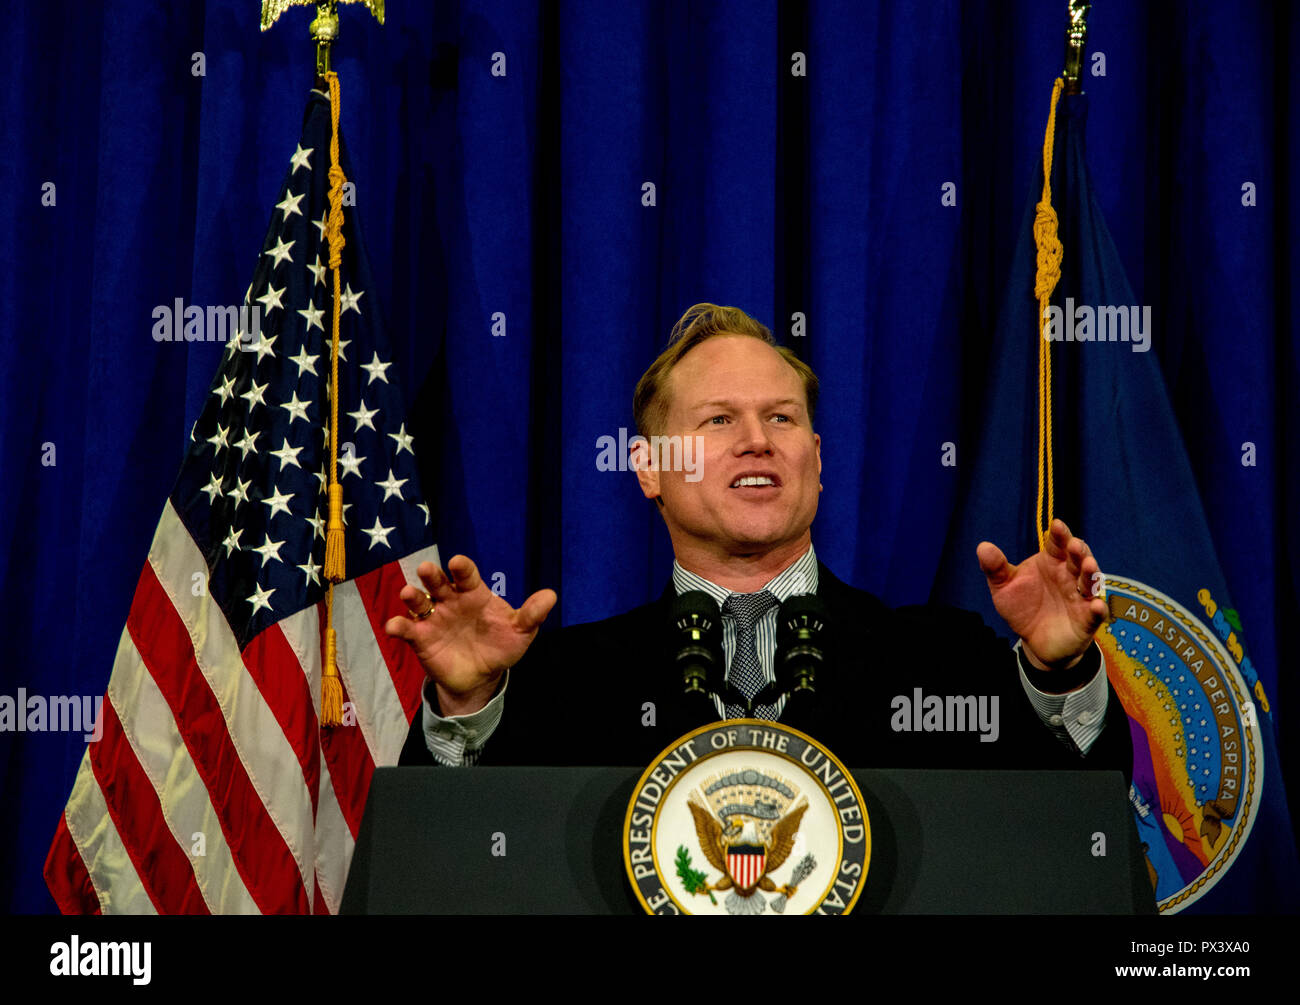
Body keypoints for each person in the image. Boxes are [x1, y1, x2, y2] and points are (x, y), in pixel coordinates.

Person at [389, 304, 1131, 775]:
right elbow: (456, 858)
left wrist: (1059, 672)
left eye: (781, 418)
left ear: (817, 457)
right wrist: (467, 702)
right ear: (648, 468)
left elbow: (1071, 837)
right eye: (718, 421)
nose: (757, 442)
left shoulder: (941, 662)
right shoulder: (564, 685)